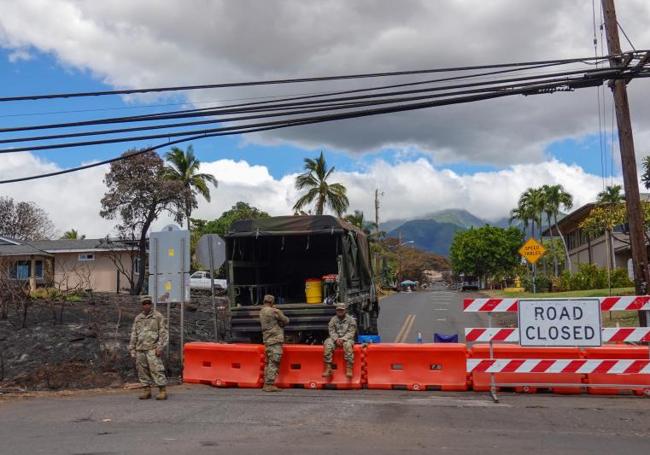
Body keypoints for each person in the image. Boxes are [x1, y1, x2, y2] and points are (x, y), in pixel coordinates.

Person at [128, 295, 169, 400]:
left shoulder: (158, 316)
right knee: (142, 371)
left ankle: (162, 390)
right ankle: (146, 390)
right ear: (141, 305)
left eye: (148, 303)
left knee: (156, 369)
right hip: (140, 349)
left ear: (151, 304)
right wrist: (132, 349)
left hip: (152, 348)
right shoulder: (138, 318)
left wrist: (160, 347)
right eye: (144, 304)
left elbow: (163, 333)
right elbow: (134, 334)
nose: (146, 306)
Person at [259, 294, 289, 392]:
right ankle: (269, 384)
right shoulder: (274, 311)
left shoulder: (261, 311)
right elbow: (286, 321)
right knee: (274, 361)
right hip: (275, 339)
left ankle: (266, 383)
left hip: (267, 340)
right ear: (272, 302)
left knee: (268, 362)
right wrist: (279, 312)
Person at [322, 302, 357, 379]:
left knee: (348, 345)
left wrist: (343, 339)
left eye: (342, 310)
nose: (340, 311)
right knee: (327, 344)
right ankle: (328, 368)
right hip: (335, 338)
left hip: (347, 339)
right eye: (338, 310)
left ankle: (349, 368)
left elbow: (351, 332)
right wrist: (336, 339)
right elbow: (331, 331)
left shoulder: (351, 320)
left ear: (345, 310)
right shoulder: (333, 320)